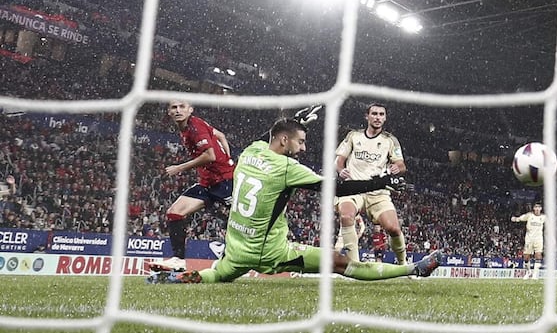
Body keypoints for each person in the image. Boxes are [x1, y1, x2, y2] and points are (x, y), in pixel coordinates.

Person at [147, 118, 443, 283]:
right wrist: (381, 181)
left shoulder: (250, 152)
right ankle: (413, 269)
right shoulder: (287, 168)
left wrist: (298, 117)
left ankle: (176, 278)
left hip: (235, 251)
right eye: (300, 141)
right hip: (271, 252)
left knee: (216, 275)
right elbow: (337, 190)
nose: (303, 148)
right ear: (285, 141)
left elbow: (267, 134)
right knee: (342, 263)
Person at [150, 100, 234, 272]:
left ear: (190, 110)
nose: (178, 110)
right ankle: (179, 261)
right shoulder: (191, 126)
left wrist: (179, 168)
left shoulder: (195, 128)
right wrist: (228, 156)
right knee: (175, 213)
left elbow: (210, 156)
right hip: (207, 183)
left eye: (182, 107)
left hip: (225, 181)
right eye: (174, 107)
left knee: (243, 222)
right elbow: (221, 135)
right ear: (169, 112)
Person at [334, 103, 407, 264]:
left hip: (378, 192)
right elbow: (339, 160)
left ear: (385, 118)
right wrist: (341, 170)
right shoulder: (354, 136)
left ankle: (403, 264)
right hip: (354, 188)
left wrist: (396, 167)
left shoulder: (390, 140)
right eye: (374, 114)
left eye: (381, 114)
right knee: (346, 216)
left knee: (393, 229)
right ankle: (355, 265)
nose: (378, 117)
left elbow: (401, 165)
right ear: (367, 116)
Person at [511, 203, 546, 279]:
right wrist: (515, 219)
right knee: (526, 256)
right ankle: (528, 271)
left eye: (539, 207)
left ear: (541, 208)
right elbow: (521, 218)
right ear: (533, 208)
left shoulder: (543, 217)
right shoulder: (529, 215)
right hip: (529, 238)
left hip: (538, 239)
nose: (537, 209)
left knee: (538, 255)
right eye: (536, 207)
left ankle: (535, 274)